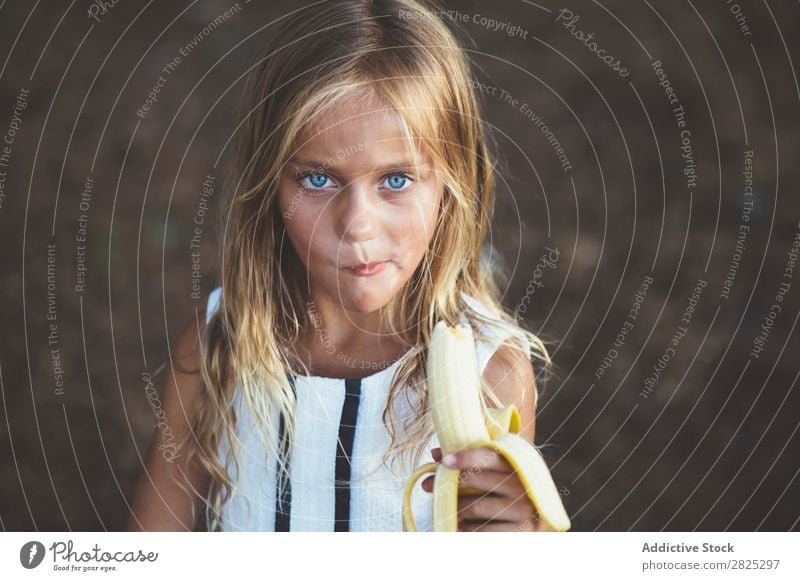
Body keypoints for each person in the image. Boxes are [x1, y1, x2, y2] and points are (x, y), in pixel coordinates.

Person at [128, 0, 554, 532]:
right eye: (318, 179)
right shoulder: (220, 346)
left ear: (451, 184)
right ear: (269, 185)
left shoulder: (490, 376)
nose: (357, 224)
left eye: (396, 180)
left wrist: (520, 541)